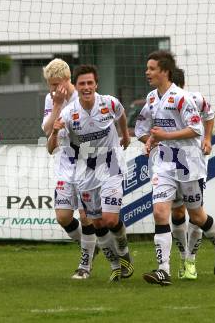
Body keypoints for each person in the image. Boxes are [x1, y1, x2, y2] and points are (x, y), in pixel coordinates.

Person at [135, 50, 215, 286]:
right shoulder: (151, 99)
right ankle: (163, 270)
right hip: (164, 165)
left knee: (197, 216)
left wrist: (166, 135)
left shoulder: (182, 97)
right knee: (160, 212)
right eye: (147, 68)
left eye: (152, 68)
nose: (147, 72)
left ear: (165, 71)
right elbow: (143, 130)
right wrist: (150, 140)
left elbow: (196, 129)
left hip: (189, 164)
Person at [48, 64, 134, 282]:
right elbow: (51, 148)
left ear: (96, 84)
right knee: (96, 223)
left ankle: (123, 253)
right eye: (82, 84)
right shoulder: (69, 113)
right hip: (85, 170)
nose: (86, 87)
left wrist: (125, 135)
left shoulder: (109, 102)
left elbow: (121, 114)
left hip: (111, 163)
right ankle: (116, 266)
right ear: (76, 86)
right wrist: (55, 131)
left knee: (110, 219)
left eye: (90, 83)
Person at [42, 58, 97, 279]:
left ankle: (85, 265)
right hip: (65, 164)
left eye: (57, 84)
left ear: (67, 80)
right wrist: (56, 105)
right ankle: (91, 247)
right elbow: (47, 129)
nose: (54, 89)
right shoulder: (52, 98)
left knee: (86, 216)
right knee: (63, 217)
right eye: (50, 85)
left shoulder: (82, 96)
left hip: (86, 163)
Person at [169, 67, 215, 280]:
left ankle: (191, 261)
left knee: (196, 214)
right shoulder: (158, 102)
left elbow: (210, 114)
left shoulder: (194, 99)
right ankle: (182, 256)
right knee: (177, 214)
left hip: (195, 165)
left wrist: (207, 139)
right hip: (170, 165)